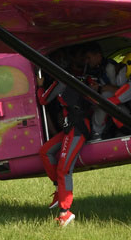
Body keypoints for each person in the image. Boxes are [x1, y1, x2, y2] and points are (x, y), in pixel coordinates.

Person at [37, 65, 93, 227]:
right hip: (71, 127)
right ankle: (59, 191)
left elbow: (43, 99)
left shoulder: (60, 81)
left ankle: (65, 212)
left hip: (77, 128)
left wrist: (40, 85)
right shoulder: (72, 77)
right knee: (45, 151)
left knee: (63, 169)